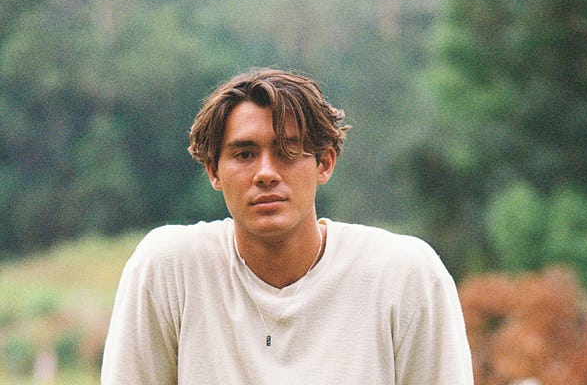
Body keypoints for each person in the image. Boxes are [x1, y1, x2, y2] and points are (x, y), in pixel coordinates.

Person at [101, 68, 474, 384]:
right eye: (244, 154)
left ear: (324, 164)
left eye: (287, 151)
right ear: (214, 170)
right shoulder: (169, 269)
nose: (266, 173)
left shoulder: (404, 275)